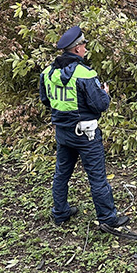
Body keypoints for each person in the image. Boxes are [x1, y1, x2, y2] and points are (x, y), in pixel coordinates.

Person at [39, 25, 129, 230]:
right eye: (84, 44)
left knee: (62, 173)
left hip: (62, 133)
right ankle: (107, 219)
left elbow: (46, 100)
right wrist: (104, 93)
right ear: (77, 49)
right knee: (97, 177)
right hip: (86, 135)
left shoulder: (47, 73)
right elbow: (100, 105)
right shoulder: (85, 74)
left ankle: (60, 213)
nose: (86, 47)